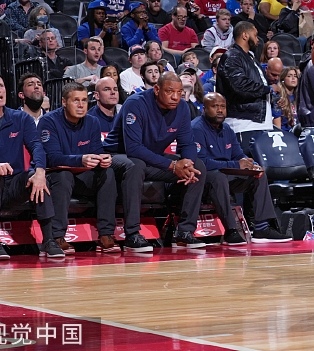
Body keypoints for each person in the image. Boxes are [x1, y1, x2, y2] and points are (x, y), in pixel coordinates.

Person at [105, 72, 207, 251]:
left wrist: (187, 164)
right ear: (157, 89)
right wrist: (172, 166)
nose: (175, 97)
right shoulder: (136, 103)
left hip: (151, 158)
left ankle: (184, 232)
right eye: (169, 91)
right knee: (135, 165)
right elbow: (133, 148)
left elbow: (187, 143)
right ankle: (132, 235)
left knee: (197, 167)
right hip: (118, 156)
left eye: (179, 92)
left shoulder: (182, 107)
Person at [0, 74, 64, 260]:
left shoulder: (21, 118)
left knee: (36, 178)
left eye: (1, 86)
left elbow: (37, 146)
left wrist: (40, 171)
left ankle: (49, 240)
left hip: (13, 183)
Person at [193, 93, 289, 245]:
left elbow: (238, 155)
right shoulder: (196, 128)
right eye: (215, 106)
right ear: (204, 109)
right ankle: (231, 230)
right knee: (218, 177)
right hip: (204, 179)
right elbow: (201, 162)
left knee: (258, 175)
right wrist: (236, 165)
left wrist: (251, 164)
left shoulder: (227, 129)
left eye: (223, 107)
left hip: (226, 174)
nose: (220, 110)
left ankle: (262, 228)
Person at [41, 83, 124, 255]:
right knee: (63, 176)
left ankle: (106, 234)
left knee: (107, 172)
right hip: (56, 176)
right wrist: (80, 159)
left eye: (84, 100)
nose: (81, 105)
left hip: (82, 175)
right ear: (64, 102)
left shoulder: (92, 121)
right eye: (76, 100)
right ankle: (56, 237)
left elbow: (97, 151)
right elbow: (52, 158)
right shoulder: (48, 121)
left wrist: (103, 159)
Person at [215, 22, 275, 134]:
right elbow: (240, 85)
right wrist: (269, 89)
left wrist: (271, 97)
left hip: (258, 122)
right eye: (255, 35)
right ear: (245, 35)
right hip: (243, 123)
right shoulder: (233, 56)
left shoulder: (250, 58)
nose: (257, 39)